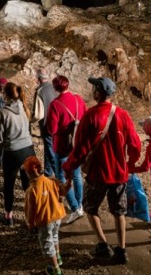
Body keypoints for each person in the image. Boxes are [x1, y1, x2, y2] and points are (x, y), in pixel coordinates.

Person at [62, 77, 141, 265]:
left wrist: (68, 167)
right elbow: (135, 144)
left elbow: (80, 149)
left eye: (94, 89)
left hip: (97, 174)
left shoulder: (90, 116)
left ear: (98, 93)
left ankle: (103, 244)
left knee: (90, 208)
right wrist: (130, 164)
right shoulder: (122, 115)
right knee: (119, 211)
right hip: (119, 174)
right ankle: (121, 250)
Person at [0, 82, 37, 227]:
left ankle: (8, 218)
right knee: (28, 185)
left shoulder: (2, 112)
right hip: (28, 150)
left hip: (12, 152)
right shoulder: (24, 107)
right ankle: (32, 218)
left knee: (9, 185)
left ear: (4, 94)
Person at [44, 75, 86, 225]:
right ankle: (79, 204)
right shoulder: (78, 99)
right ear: (68, 85)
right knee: (77, 175)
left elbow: (52, 129)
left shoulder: (55, 105)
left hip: (62, 146)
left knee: (61, 177)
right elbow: (85, 116)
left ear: (55, 88)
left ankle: (75, 207)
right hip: (77, 144)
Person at [23, 156, 66, 275]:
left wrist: (30, 224)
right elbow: (61, 194)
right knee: (55, 236)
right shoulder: (51, 181)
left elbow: (31, 211)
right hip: (57, 216)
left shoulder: (32, 190)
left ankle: (55, 269)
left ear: (30, 172)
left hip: (45, 221)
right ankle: (58, 257)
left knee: (47, 244)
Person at [33, 68, 59, 177]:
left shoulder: (40, 91)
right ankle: (48, 172)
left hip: (46, 125)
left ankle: (59, 176)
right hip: (56, 123)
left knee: (49, 149)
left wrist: (29, 121)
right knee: (49, 149)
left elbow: (38, 115)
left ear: (38, 78)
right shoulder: (54, 87)